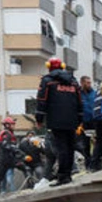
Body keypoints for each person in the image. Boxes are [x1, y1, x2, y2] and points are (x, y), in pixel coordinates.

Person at [36, 57, 82, 186]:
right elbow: (79, 100)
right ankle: (68, 175)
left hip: (56, 120)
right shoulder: (73, 81)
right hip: (72, 120)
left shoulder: (47, 81)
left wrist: (39, 119)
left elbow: (41, 100)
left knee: (61, 148)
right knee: (70, 147)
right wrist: (80, 118)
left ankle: (62, 177)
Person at [0, 117, 19, 192]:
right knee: (6, 179)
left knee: (5, 179)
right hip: (4, 161)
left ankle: (4, 193)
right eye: (12, 124)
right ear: (7, 125)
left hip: (8, 161)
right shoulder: (6, 134)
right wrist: (15, 149)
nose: (14, 126)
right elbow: (6, 146)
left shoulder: (10, 134)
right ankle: (10, 193)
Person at [77, 75, 96, 161]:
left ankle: (97, 161)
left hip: (94, 121)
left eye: (90, 83)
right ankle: (88, 162)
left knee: (96, 142)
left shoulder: (94, 93)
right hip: (83, 123)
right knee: (85, 144)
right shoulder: (78, 94)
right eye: (87, 83)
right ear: (82, 83)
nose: (89, 84)